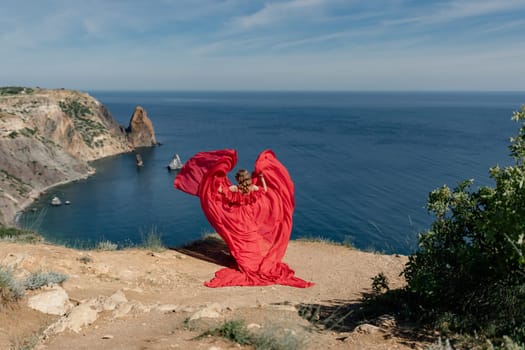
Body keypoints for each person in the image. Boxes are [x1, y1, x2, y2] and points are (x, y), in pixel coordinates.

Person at [174, 149, 314, 288]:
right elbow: (264, 190)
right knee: (251, 238)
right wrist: (263, 178)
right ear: (247, 178)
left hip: (238, 218)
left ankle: (247, 262)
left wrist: (217, 180)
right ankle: (256, 261)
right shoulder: (253, 188)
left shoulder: (235, 189)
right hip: (250, 217)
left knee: (241, 240)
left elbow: (221, 192)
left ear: (237, 179)